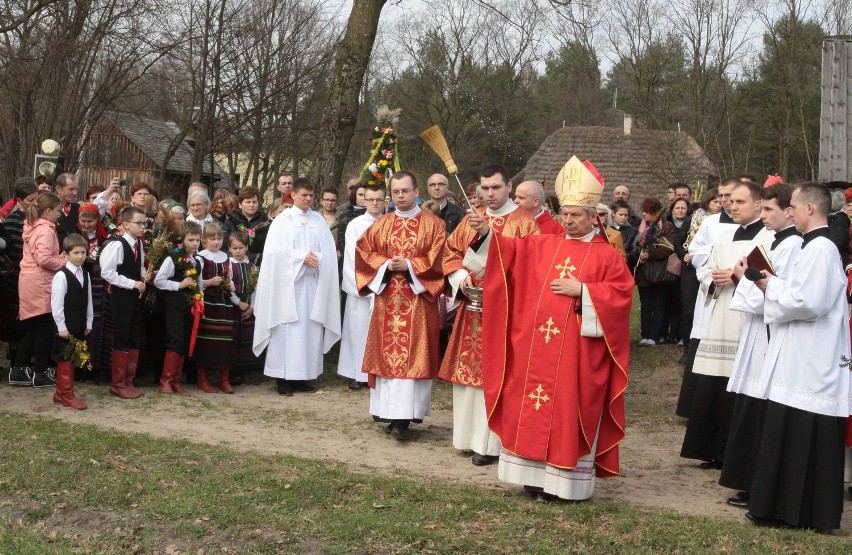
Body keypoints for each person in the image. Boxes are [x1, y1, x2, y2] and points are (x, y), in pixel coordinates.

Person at [479, 155, 634, 501]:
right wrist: (485, 233)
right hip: (535, 349)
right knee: (529, 405)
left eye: (576, 215)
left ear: (594, 216)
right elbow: (508, 255)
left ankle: (563, 483)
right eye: (564, 214)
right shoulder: (543, 243)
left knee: (567, 410)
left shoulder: (607, 255)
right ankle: (532, 476)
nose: (568, 221)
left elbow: (622, 298)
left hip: (575, 355)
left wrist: (585, 291)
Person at [746, 182, 850, 530]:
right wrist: (774, 284)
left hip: (811, 361)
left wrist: (769, 285)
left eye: (792, 205)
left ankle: (800, 511)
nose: (788, 211)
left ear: (809, 208)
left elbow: (809, 302)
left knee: (803, 431)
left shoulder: (821, 249)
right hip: (798, 355)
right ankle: (780, 507)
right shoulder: (813, 247)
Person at [439, 164, 538, 464]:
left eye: (496, 187)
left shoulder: (524, 223)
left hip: (505, 314)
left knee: (496, 376)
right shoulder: (472, 218)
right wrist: (460, 278)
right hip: (471, 312)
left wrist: (489, 236)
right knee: (468, 377)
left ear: (509, 187)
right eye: (485, 188)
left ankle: (491, 444)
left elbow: (530, 265)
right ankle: (467, 437)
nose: (490, 193)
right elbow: (450, 254)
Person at [680, 180, 774, 468]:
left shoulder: (770, 239)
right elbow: (704, 268)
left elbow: (770, 274)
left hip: (748, 319)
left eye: (739, 202)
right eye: (729, 202)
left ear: (758, 205)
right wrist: (713, 278)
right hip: (720, 314)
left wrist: (738, 277)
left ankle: (734, 454)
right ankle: (713, 449)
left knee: (739, 385)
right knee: (714, 385)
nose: (731, 206)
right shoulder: (724, 236)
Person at [720, 183, 802, 508]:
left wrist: (743, 278)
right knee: (750, 406)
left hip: (770, 337)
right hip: (759, 334)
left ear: (789, 211)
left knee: (760, 409)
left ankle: (755, 484)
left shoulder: (793, 245)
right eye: (763, 209)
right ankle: (748, 481)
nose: (763, 215)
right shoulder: (778, 242)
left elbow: (775, 294)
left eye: (769, 209)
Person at [355, 172, 446, 439]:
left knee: (411, 358)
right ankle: (387, 411)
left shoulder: (433, 225)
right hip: (387, 301)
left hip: (417, 302)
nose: (401, 196)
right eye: (396, 192)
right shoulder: (381, 223)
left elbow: (439, 259)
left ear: (417, 191)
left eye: (406, 191)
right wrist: (385, 265)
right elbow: (363, 251)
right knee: (387, 357)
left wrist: (410, 265)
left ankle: (405, 416)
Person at [253, 179, 340, 396]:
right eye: (304, 195)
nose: (308, 199)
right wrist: (302, 258)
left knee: (309, 330)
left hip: (312, 286)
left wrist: (316, 257)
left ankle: (303, 376)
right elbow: (274, 254)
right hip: (287, 287)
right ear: (293, 195)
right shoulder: (282, 221)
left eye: (311, 195)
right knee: (286, 330)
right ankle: (282, 378)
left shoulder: (318, 220)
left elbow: (329, 253)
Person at [676, 179, 739, 417]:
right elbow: (694, 249)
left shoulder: (756, 226)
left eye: (729, 196)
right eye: (721, 196)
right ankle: (696, 407)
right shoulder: (711, 222)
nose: (724, 201)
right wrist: (714, 253)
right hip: (712, 290)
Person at [8, 192, 65, 388]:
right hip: (40, 282)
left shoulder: (33, 227)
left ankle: (18, 370)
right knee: (43, 329)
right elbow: (44, 259)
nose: (60, 214)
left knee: (34, 328)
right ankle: (39, 372)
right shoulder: (46, 230)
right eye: (58, 210)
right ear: (48, 211)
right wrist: (64, 261)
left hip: (29, 280)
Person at [99, 205, 149, 399]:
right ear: (126, 224)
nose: (143, 227)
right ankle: (118, 383)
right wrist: (133, 283)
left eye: (145, 223)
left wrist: (145, 276)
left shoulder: (139, 244)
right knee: (122, 336)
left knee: (133, 335)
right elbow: (108, 272)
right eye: (139, 223)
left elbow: (140, 267)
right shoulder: (118, 244)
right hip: (122, 296)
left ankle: (128, 380)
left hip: (135, 296)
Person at [339, 185, 385, 390]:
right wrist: (366, 284)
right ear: (363, 200)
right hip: (361, 287)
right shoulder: (355, 225)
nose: (375, 203)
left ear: (385, 201)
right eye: (371, 199)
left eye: (379, 199)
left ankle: (377, 371)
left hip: (385, 285)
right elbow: (352, 257)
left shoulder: (390, 223)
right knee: (357, 331)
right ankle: (355, 372)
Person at [154, 221, 203, 395]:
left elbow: (199, 283)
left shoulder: (197, 261)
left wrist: (199, 299)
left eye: (197, 240)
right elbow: (159, 281)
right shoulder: (172, 258)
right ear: (182, 240)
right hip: (174, 304)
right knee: (175, 340)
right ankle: (165, 381)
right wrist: (179, 285)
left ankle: (176, 380)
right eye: (191, 240)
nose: (195, 243)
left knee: (183, 340)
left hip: (189, 306)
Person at [194, 222, 240, 394]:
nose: (216, 242)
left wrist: (231, 286)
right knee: (207, 341)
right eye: (212, 239)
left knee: (224, 342)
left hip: (224, 304)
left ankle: (224, 378)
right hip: (207, 303)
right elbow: (196, 283)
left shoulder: (226, 258)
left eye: (219, 238)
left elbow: (230, 278)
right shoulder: (200, 257)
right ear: (204, 240)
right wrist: (209, 282)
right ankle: (203, 378)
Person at [50, 234, 93, 409]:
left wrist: (89, 322)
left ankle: (61, 392)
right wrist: (61, 327)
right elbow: (56, 303)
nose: (80, 256)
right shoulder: (61, 276)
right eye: (76, 253)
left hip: (79, 323)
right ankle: (65, 394)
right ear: (66, 254)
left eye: (83, 252)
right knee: (65, 357)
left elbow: (89, 299)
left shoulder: (85, 274)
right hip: (65, 326)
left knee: (73, 356)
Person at [1, 178, 38, 371]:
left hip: (26, 278)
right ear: (21, 200)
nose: (35, 203)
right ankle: (16, 361)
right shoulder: (14, 220)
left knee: (24, 321)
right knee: (14, 322)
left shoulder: (32, 219)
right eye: (31, 200)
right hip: (15, 278)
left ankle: (21, 360)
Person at [631, 198, 676, 347]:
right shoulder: (642, 226)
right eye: (643, 211)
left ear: (656, 213)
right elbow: (636, 245)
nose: (644, 214)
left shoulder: (667, 227)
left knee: (658, 304)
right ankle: (645, 334)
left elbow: (669, 247)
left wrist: (651, 254)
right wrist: (640, 253)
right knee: (645, 305)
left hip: (658, 273)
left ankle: (654, 335)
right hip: (644, 272)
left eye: (647, 212)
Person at [227, 232, 260, 379]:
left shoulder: (251, 266)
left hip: (248, 306)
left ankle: (245, 370)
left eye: (241, 248)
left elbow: (256, 287)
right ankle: (232, 371)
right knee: (234, 339)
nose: (238, 251)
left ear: (246, 248)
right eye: (235, 248)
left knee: (247, 337)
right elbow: (227, 286)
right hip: (234, 306)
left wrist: (252, 306)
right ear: (230, 249)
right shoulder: (228, 265)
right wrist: (238, 302)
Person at [222, 186, 270, 261]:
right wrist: (238, 258)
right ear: (240, 204)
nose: (251, 205)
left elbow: (270, 250)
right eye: (248, 202)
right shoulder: (231, 222)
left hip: (260, 265)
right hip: (235, 265)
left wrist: (251, 258)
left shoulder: (266, 223)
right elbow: (223, 247)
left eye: (254, 202)